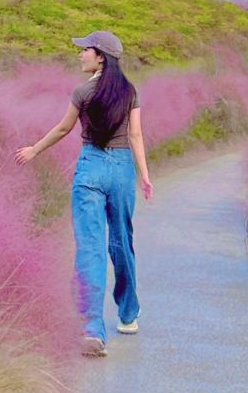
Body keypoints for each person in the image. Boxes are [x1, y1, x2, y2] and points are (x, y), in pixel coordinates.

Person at [15, 30, 153, 357]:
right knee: (121, 241)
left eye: (85, 50)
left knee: (89, 247)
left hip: (91, 167)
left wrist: (35, 149)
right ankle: (128, 314)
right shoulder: (130, 91)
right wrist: (145, 175)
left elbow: (64, 128)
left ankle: (92, 328)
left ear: (100, 55)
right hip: (121, 170)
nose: (80, 55)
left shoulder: (82, 91)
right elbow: (135, 135)